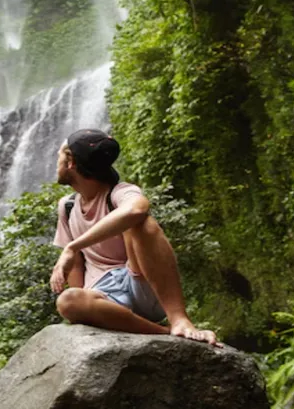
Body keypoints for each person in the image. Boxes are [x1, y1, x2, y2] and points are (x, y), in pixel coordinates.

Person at [50, 128, 219, 345]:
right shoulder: (67, 206)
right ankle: (164, 331)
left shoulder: (120, 193)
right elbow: (75, 266)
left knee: (142, 224)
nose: (57, 162)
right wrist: (85, 304)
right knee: (69, 300)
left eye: (59, 156)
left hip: (141, 283)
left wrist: (72, 247)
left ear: (71, 162)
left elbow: (137, 210)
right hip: (106, 298)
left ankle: (179, 319)